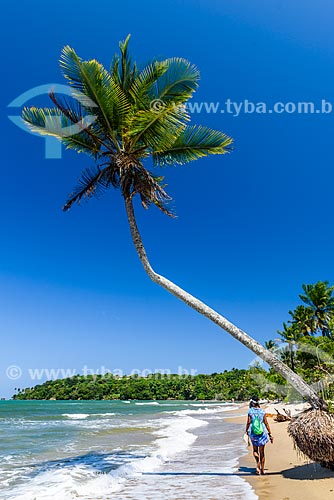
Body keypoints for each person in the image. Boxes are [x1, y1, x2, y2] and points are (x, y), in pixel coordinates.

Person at [245, 395, 273, 475]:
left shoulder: (250, 411)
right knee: (262, 452)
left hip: (253, 432)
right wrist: (270, 433)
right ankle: (262, 470)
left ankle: (258, 465)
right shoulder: (262, 411)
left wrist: (246, 431)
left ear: (252, 403)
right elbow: (266, 423)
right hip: (262, 432)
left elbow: (248, 422)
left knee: (255, 450)